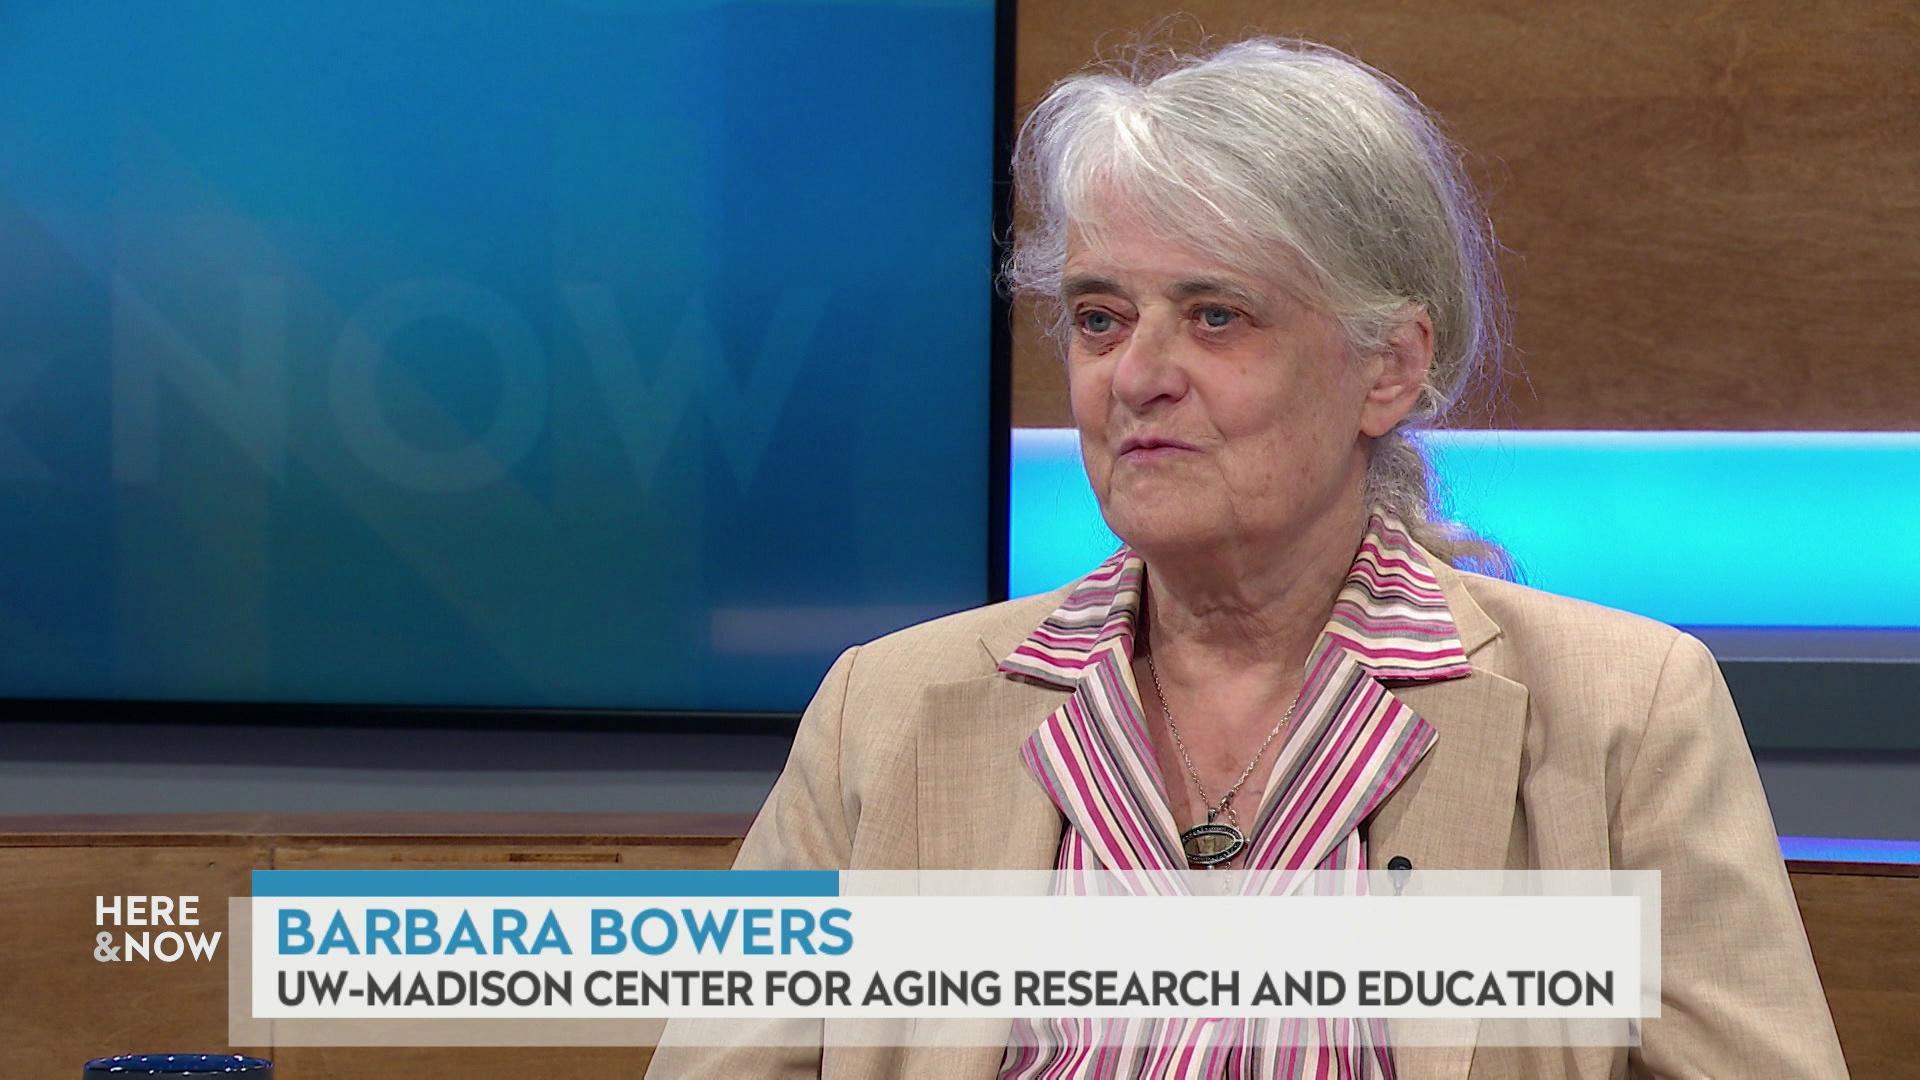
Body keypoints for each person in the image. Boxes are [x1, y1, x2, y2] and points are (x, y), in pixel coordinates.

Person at [646, 35, 1846, 1079]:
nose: (1137, 374)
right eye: (1102, 318)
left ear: (1388, 368)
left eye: (1216, 316)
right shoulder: (885, 711)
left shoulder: (1624, 717)